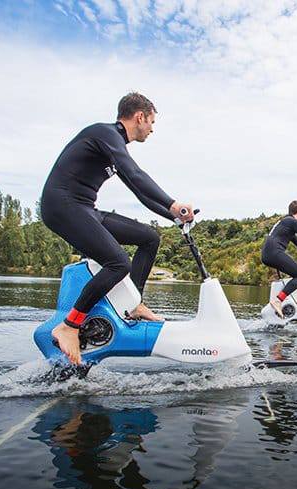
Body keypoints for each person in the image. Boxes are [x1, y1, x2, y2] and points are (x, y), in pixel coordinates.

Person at [40, 92, 194, 365]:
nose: (152, 128)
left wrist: (174, 218)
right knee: (118, 263)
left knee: (149, 238)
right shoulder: (105, 133)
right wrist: (173, 204)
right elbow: (136, 174)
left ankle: (133, 305)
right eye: (152, 122)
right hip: (62, 205)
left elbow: (140, 193)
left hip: (85, 208)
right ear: (140, 116)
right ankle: (69, 326)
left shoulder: (114, 146)